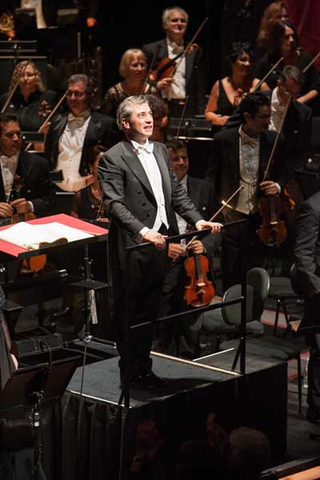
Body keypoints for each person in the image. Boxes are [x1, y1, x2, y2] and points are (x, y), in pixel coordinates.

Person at [98, 95, 221, 389]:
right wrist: (143, 231)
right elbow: (113, 204)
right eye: (141, 114)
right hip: (134, 245)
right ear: (126, 123)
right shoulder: (113, 157)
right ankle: (129, 373)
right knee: (130, 311)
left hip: (160, 243)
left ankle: (144, 369)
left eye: (149, 113)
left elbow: (176, 193)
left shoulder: (161, 151)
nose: (149, 118)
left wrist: (197, 220)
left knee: (151, 310)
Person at [206, 93, 287, 290]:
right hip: (232, 215)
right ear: (248, 117)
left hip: (261, 217)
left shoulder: (275, 140)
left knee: (255, 272)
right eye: (263, 117)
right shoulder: (223, 139)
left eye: (269, 116)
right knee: (231, 270)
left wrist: (276, 186)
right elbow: (211, 178)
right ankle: (229, 316)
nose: (268, 122)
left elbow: (285, 173)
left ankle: (252, 316)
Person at [155, 139, 221, 358]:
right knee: (163, 320)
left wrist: (205, 244)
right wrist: (165, 247)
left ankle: (188, 362)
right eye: (175, 159)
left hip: (196, 266)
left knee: (192, 324)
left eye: (185, 158)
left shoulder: (204, 188)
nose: (182, 163)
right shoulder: (154, 190)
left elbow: (219, 228)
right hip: (165, 264)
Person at [45, 73, 119, 193]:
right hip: (56, 191)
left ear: (90, 96)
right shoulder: (56, 121)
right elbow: (48, 157)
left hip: (88, 192)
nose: (73, 98)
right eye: (69, 93)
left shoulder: (106, 124)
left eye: (78, 94)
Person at [142, 6, 206, 117]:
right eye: (174, 20)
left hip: (187, 108)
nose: (179, 23)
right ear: (165, 25)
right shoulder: (152, 49)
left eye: (183, 21)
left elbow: (200, 84)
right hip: (160, 106)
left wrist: (201, 112)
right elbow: (142, 78)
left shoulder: (194, 50)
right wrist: (157, 85)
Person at [292, 191, 320, 429]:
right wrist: (318, 291)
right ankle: (317, 409)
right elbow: (303, 254)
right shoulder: (312, 207)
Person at [254, 21, 320, 111]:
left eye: (293, 36)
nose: (291, 40)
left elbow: (317, 87)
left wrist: (300, 101)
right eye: (286, 37)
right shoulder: (268, 61)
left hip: (301, 110)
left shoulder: (305, 59)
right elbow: (256, 83)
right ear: (277, 40)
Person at [0, 112, 53, 221]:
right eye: (9, 135)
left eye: (18, 134)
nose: (16, 138)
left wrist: (30, 205)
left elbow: (50, 200)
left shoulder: (39, 164)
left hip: (25, 226)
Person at [205, 42, 269, 129]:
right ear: (232, 62)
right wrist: (219, 120)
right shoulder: (219, 85)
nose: (248, 64)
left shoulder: (261, 86)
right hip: (227, 133)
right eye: (243, 60)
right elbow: (208, 113)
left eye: (251, 61)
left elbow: (269, 114)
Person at [0, 61, 58, 133]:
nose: (25, 78)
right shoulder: (6, 99)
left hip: (40, 143)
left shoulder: (49, 97)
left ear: (36, 77)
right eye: (21, 75)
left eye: (30, 75)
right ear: (16, 79)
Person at [100, 49, 158, 119]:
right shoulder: (114, 93)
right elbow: (105, 119)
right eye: (135, 65)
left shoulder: (152, 91)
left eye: (142, 65)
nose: (140, 69)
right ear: (125, 67)